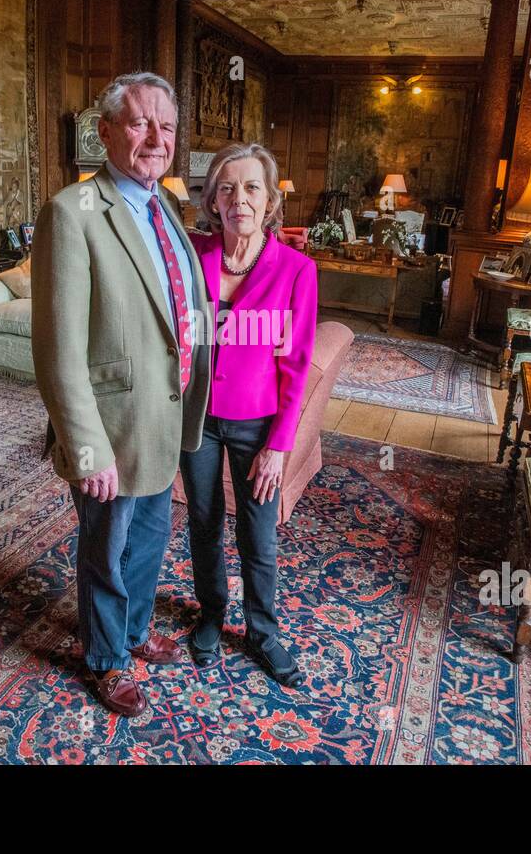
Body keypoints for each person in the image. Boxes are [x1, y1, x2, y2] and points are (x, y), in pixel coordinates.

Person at [31, 72, 212, 717]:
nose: (155, 138)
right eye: (140, 123)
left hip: (163, 416)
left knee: (151, 541)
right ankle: (106, 658)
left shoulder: (164, 204)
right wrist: (87, 448)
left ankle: (132, 633)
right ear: (105, 132)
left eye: (165, 126)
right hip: (110, 426)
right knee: (107, 550)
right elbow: (57, 349)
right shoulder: (71, 213)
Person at [180, 142, 317, 688]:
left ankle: (263, 631)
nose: (240, 198)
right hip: (198, 423)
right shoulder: (194, 256)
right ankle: (211, 614)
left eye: (252, 187)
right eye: (228, 188)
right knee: (204, 523)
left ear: (269, 200)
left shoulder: (296, 270)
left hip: (258, 427)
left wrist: (279, 446)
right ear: (213, 200)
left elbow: (297, 364)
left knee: (259, 535)